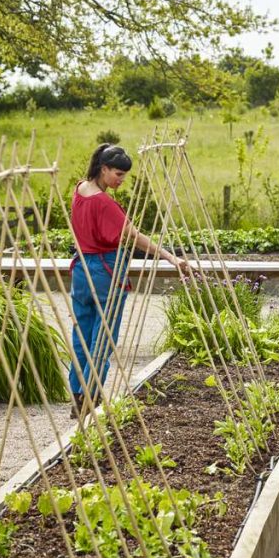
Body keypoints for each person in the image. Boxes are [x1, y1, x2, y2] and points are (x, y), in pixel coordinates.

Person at [68, 143, 186, 417]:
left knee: (82, 335)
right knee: (103, 337)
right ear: (103, 168)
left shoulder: (80, 189)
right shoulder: (104, 202)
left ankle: (77, 393)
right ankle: (90, 396)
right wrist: (170, 257)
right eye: (117, 174)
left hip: (81, 269)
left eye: (124, 175)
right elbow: (134, 237)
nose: (120, 180)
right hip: (104, 270)